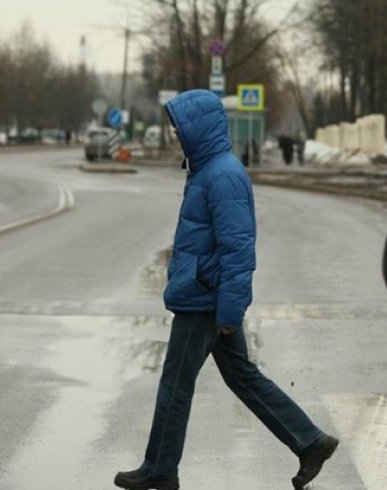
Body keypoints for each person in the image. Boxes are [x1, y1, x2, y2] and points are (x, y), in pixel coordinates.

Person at [114, 90, 338, 490]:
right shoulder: (207, 171)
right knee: (243, 376)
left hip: (204, 298)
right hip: (207, 292)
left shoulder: (223, 175)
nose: (176, 135)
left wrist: (229, 313)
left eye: (180, 128)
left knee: (176, 384)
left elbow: (238, 250)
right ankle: (309, 441)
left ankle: (160, 468)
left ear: (198, 129)